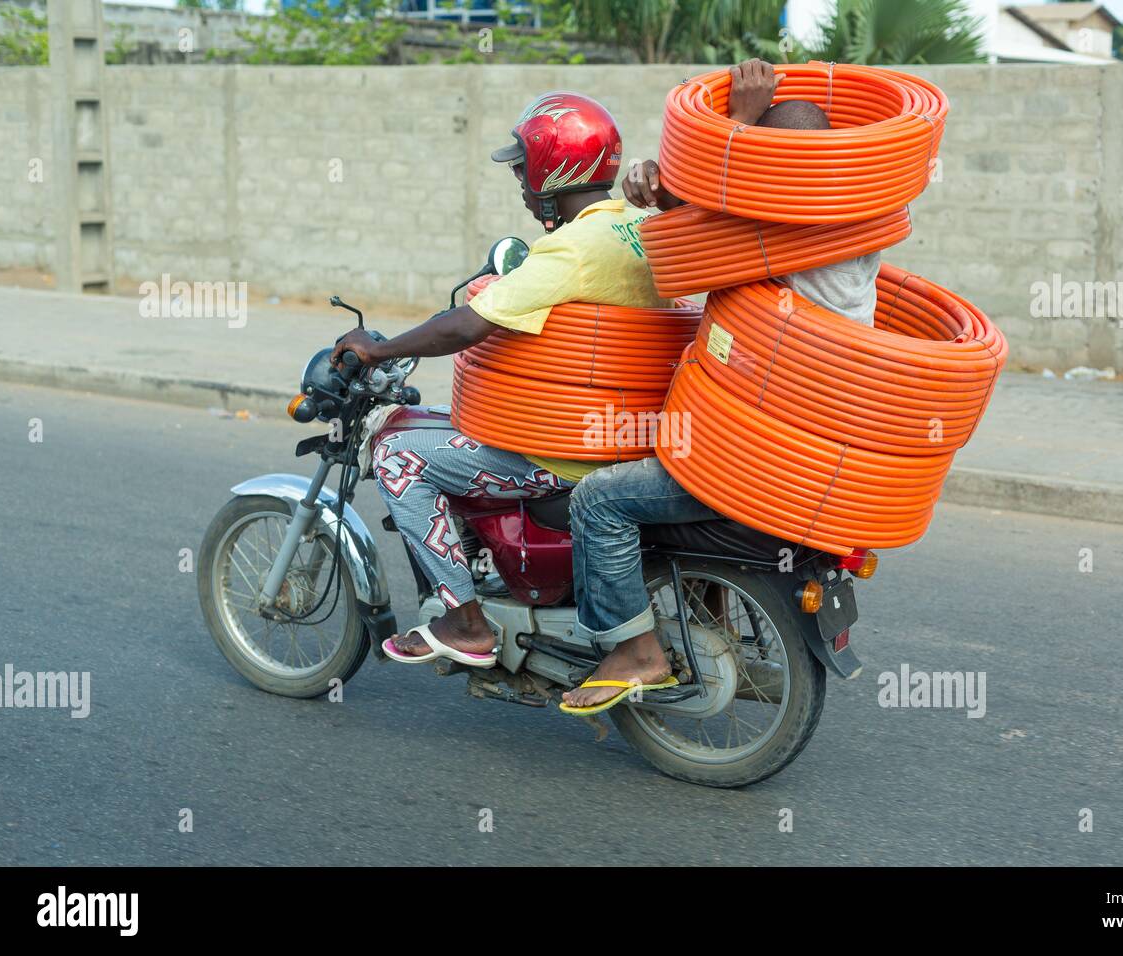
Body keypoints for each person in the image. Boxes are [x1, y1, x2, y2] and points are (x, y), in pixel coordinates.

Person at [561, 60, 881, 711]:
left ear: (786, 169)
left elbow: (688, 249)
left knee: (599, 501)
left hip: (758, 465)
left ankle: (638, 653)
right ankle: (702, 621)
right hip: (801, 454)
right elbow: (714, 216)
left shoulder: (785, 230)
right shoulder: (853, 221)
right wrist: (661, 182)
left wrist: (734, 123)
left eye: (768, 156)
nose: (758, 169)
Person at [330, 90, 670, 668]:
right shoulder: (638, 226)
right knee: (443, 429)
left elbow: (465, 326)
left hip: (563, 455)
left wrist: (377, 350)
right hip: (626, 435)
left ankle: (465, 623)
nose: (520, 181)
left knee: (398, 453)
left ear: (551, 167)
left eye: (522, 167)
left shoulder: (573, 249)